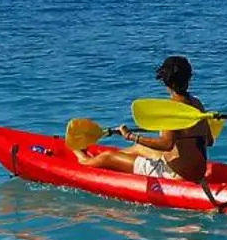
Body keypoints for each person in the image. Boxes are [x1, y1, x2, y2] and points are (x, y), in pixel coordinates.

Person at [80, 54, 213, 182]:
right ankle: (120, 160)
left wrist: (131, 136)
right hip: (198, 172)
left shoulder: (170, 109)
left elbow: (166, 145)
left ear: (164, 80)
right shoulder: (197, 103)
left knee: (107, 157)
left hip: (175, 174)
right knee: (138, 148)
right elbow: (209, 141)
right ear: (189, 78)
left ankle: (83, 159)